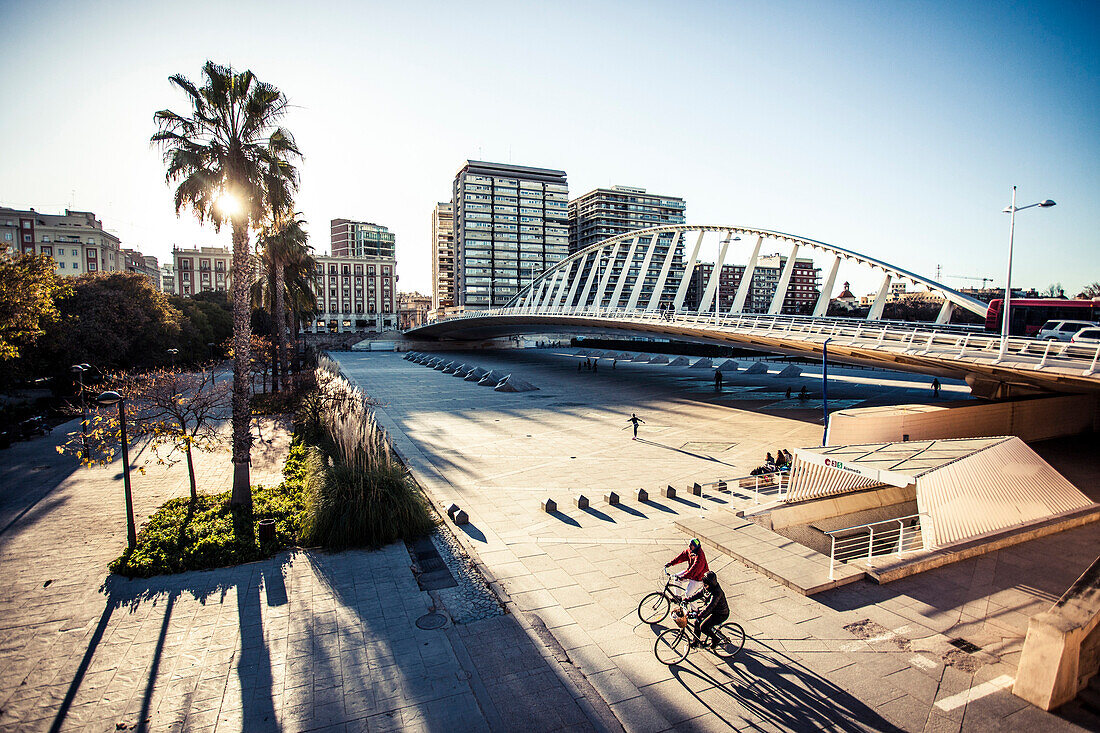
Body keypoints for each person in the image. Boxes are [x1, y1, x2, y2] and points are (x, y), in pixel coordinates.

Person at [684, 571, 730, 648]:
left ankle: (715, 639)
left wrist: (700, 615)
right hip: (713, 611)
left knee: (704, 627)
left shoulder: (717, 592)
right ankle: (696, 642)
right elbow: (699, 594)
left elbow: (711, 606)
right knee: (697, 622)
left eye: (706, 585)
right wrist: (687, 599)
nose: (704, 586)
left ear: (711, 583)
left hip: (721, 614)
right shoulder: (707, 587)